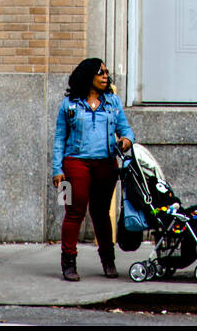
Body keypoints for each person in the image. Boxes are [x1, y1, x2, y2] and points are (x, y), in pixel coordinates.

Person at [52, 58, 135, 282]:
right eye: (100, 73)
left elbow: (126, 130)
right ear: (88, 76)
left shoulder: (113, 102)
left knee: (100, 213)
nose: (105, 76)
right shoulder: (69, 105)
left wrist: (126, 140)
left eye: (106, 72)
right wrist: (56, 169)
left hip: (105, 164)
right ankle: (68, 263)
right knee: (73, 211)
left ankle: (108, 260)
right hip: (75, 163)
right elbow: (60, 137)